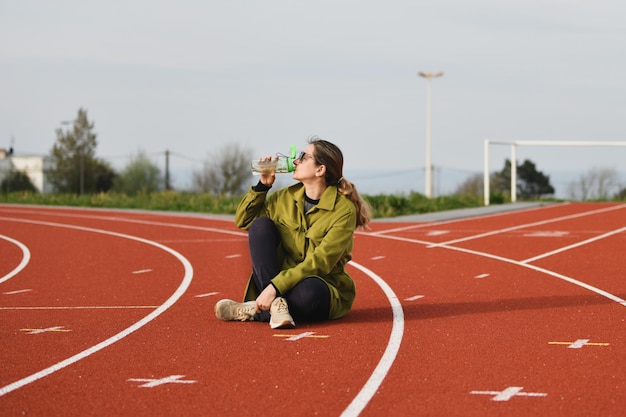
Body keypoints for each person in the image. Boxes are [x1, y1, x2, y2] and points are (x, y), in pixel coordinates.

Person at [214, 136, 372, 329]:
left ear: (320, 170)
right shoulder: (284, 197)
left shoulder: (343, 211)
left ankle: (256, 310)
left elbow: (320, 262)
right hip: (276, 280)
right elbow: (244, 221)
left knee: (310, 293)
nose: (295, 161)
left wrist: (275, 287)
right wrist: (262, 187)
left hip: (319, 282)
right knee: (260, 226)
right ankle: (276, 308)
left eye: (303, 157)